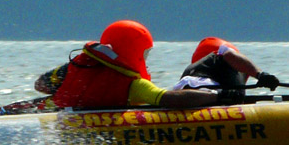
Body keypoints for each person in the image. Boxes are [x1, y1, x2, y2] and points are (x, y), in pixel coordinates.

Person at [32, 20, 218, 110]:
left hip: (47, 117)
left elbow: (40, 85)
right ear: (133, 51)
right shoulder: (132, 84)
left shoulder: (75, 67)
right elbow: (168, 99)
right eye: (145, 54)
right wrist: (216, 95)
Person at [173, 37, 279, 97]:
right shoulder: (222, 55)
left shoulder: (191, 70)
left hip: (183, 94)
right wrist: (260, 75)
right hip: (203, 92)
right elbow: (229, 55)